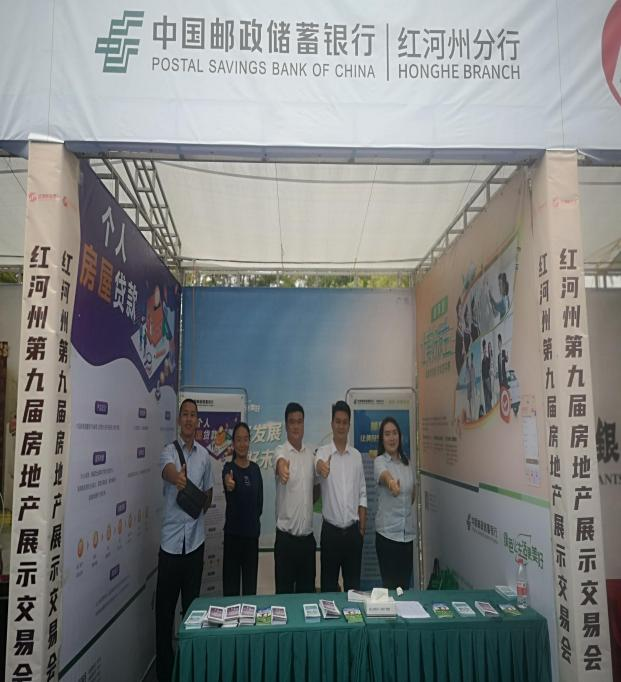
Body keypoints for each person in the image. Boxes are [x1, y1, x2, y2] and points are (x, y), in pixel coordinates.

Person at [156, 398, 214, 682]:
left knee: (192, 614)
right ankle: (165, 673)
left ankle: (190, 669)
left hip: (194, 545)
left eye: (193, 415)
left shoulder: (204, 456)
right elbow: (166, 471)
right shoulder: (168, 451)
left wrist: (201, 501)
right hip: (170, 547)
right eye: (185, 415)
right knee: (164, 615)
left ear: (197, 421)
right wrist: (177, 478)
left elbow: (209, 491)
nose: (190, 419)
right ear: (179, 420)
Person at [315, 400, 367, 592]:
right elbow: (317, 466)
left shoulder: (356, 456)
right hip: (331, 534)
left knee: (354, 590)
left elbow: (362, 490)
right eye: (338, 421)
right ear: (332, 424)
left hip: (353, 534)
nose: (341, 426)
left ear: (349, 425)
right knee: (328, 589)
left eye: (345, 422)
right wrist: (321, 467)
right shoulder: (323, 453)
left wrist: (362, 526)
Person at [274, 402, 319, 593]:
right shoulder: (280, 451)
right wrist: (283, 469)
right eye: (292, 422)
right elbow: (280, 463)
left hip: (307, 542)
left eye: (299, 422)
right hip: (286, 542)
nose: (296, 426)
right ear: (286, 425)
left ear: (303, 424)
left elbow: (316, 488)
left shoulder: (312, 455)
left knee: (307, 598)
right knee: (283, 598)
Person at [374, 417, 416, 590]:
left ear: (400, 436)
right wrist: (392, 484)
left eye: (394, 433)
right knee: (391, 590)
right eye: (387, 434)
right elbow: (385, 476)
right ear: (382, 439)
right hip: (387, 537)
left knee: (404, 589)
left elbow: (412, 494)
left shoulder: (408, 464)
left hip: (407, 536)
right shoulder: (379, 461)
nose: (391, 438)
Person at [222, 422, 263, 596]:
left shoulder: (255, 469)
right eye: (238, 440)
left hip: (251, 539)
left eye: (245, 439)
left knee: (250, 590)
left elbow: (259, 504)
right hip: (233, 538)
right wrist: (229, 483)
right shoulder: (229, 468)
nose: (242, 444)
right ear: (233, 443)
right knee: (230, 590)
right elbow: (227, 481)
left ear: (249, 442)